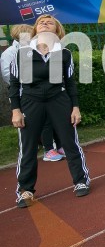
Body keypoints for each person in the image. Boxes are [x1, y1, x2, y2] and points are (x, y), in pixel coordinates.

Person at [9, 14, 91, 207]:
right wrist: (15, 110)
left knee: (70, 143)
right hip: (30, 102)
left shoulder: (64, 54)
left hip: (59, 101)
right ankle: (25, 190)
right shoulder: (22, 53)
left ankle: (80, 181)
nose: (45, 24)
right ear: (35, 29)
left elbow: (70, 83)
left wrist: (75, 107)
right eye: (41, 22)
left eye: (50, 22)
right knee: (27, 148)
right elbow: (14, 85)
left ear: (57, 30)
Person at [1, 24, 63, 161]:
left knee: (47, 120)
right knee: (24, 124)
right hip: (21, 93)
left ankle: (50, 147)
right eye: (30, 35)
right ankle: (29, 152)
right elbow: (8, 75)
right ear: (20, 35)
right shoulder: (10, 52)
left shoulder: (33, 50)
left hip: (35, 93)